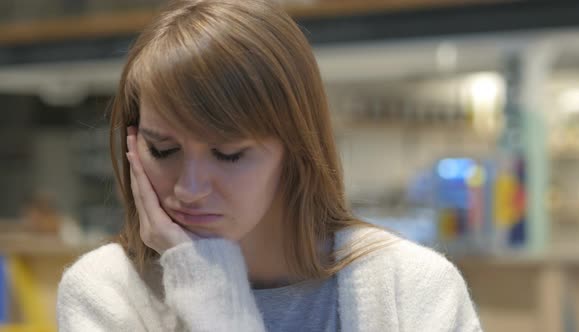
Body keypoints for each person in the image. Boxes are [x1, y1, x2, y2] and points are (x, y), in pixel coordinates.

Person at [56, 0, 482, 331]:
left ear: (296, 148)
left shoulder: (410, 287)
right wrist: (204, 283)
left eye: (229, 154)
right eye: (163, 149)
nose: (189, 188)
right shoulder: (107, 290)